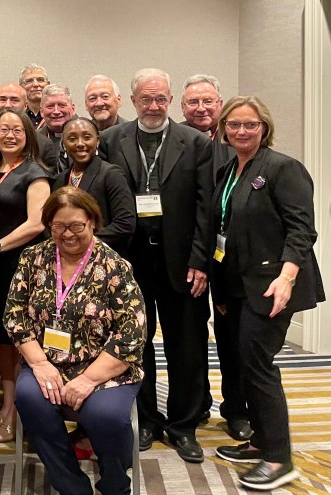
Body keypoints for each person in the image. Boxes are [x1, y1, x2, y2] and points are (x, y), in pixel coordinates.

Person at [98, 68, 213, 463]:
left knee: (187, 347)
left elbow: (206, 207)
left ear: (170, 100)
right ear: (132, 101)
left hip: (183, 262)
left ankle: (183, 426)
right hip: (130, 262)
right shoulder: (111, 140)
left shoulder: (195, 142)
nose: (153, 106)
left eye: (160, 98)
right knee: (135, 343)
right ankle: (146, 419)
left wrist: (200, 260)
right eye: (145, 99)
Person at [212, 96, 324, 490]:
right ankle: (261, 441)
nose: (242, 131)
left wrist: (288, 276)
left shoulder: (283, 168)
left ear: (264, 127)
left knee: (258, 365)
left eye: (251, 124)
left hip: (273, 285)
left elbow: (302, 229)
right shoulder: (229, 169)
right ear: (224, 129)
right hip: (238, 285)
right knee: (244, 363)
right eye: (234, 125)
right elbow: (225, 228)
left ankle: (280, 459)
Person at [6, 187, 146, 495]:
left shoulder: (115, 266)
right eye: (58, 226)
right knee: (29, 398)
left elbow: (131, 334)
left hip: (104, 368)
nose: (67, 234)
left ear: (91, 221)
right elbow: (14, 317)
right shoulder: (33, 258)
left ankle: (115, 485)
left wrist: (88, 380)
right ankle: (71, 485)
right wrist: (39, 364)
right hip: (47, 361)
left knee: (105, 415)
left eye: (76, 225)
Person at [0, 108, 51, 443]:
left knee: (20, 337)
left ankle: (17, 411)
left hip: (22, 265)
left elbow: (37, 223)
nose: (9, 135)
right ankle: (8, 405)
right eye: (3, 129)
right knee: (3, 339)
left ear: (28, 135)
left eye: (17, 129)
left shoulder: (36, 174)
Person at [180, 74, 241, 437]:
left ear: (220, 104)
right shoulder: (177, 141)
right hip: (190, 253)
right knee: (192, 333)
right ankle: (199, 401)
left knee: (232, 334)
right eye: (193, 102)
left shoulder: (238, 142)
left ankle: (236, 409)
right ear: (182, 106)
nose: (201, 108)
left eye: (208, 101)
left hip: (231, 256)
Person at [52, 117, 135, 256]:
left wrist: (83, 240)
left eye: (87, 137)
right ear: (63, 144)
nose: (80, 143)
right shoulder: (60, 180)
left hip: (104, 256)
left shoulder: (111, 174)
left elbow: (125, 224)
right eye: (72, 138)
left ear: (97, 141)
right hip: (68, 257)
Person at [0, 83, 59, 173]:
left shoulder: (43, 144)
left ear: (25, 105)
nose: (7, 105)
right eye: (2, 100)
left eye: (14, 100)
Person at [38, 84, 77, 175]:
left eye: (62, 105)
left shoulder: (87, 137)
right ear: (42, 111)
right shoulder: (34, 140)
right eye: (50, 106)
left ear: (73, 109)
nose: (56, 111)